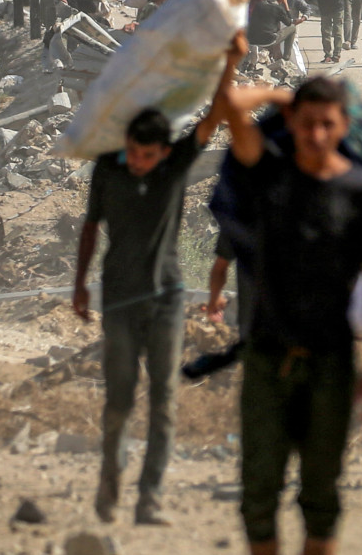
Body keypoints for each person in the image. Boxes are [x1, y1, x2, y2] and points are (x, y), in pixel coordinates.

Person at [211, 76, 362, 555]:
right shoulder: (270, 176)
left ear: (343, 126)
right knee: (257, 499)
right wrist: (273, 94)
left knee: (321, 499)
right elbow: (229, 108)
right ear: (292, 124)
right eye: (306, 123)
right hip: (267, 356)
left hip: (332, 362)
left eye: (327, 123)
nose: (316, 134)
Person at [75, 34, 243, 524]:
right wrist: (80, 283)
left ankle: (150, 496)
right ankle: (111, 479)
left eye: (148, 156)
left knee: (164, 398)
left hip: (167, 295)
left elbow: (213, 116)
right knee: (120, 397)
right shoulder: (109, 169)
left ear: (161, 152)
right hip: (121, 296)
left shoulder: (175, 166)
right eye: (134, 153)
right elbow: (90, 227)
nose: (140, 162)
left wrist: (229, 62)